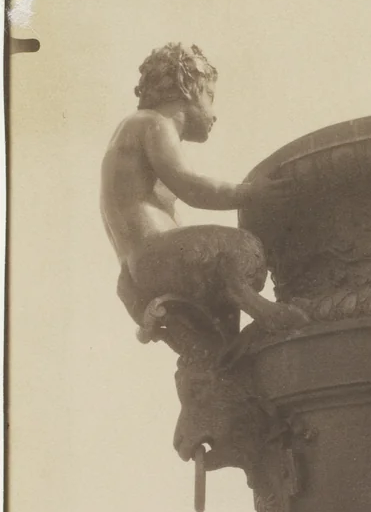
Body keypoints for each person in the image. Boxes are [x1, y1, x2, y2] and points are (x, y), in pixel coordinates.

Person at [101, 43, 308, 337]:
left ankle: (229, 343)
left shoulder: (128, 133)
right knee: (243, 246)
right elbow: (190, 186)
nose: (213, 113)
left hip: (137, 273)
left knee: (215, 324)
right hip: (157, 256)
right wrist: (250, 193)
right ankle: (260, 308)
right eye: (209, 96)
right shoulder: (154, 124)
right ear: (188, 88)